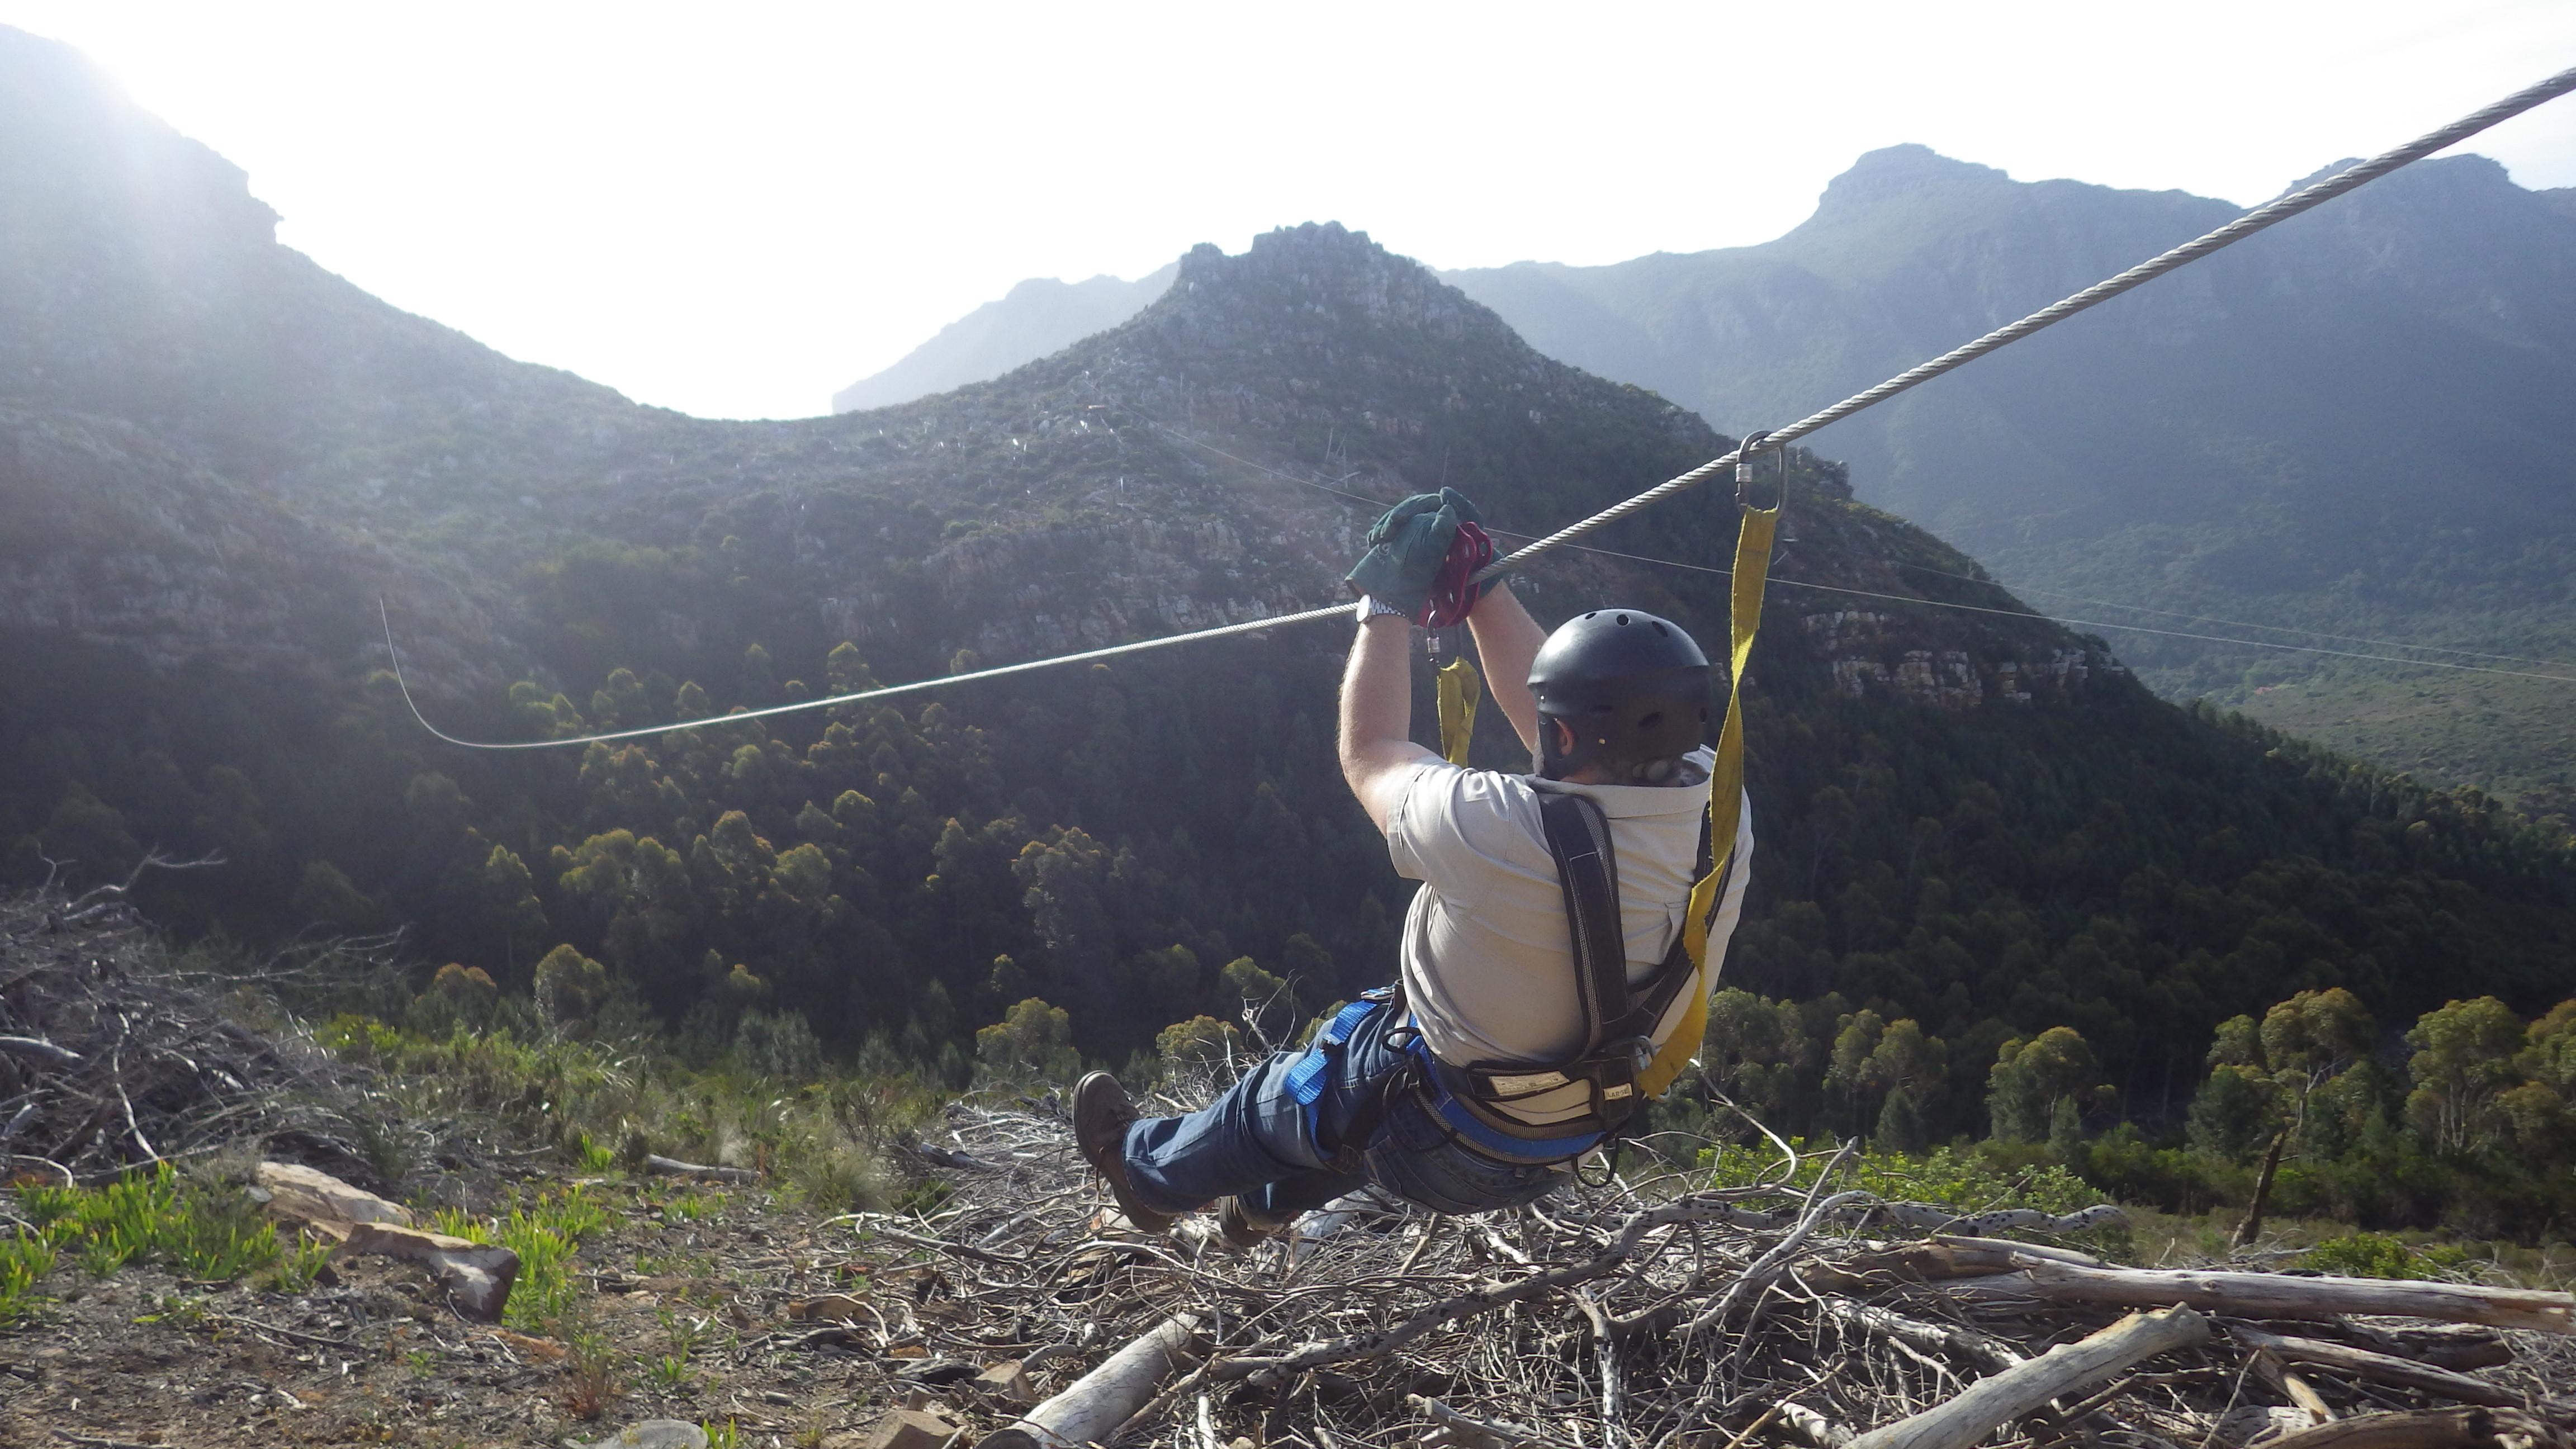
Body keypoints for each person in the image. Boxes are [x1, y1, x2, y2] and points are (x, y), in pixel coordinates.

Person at [1073, 488, 1755, 1240]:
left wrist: (1384, 605)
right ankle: (1262, 1209)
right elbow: (1562, 727)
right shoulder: (1721, 812)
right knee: (1397, 1064)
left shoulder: (1496, 829)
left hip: (1435, 1140)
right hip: (1569, 1136)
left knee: (1314, 1077)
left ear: (1561, 737)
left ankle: (1146, 1176)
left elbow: (1369, 752)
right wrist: (1484, 587)